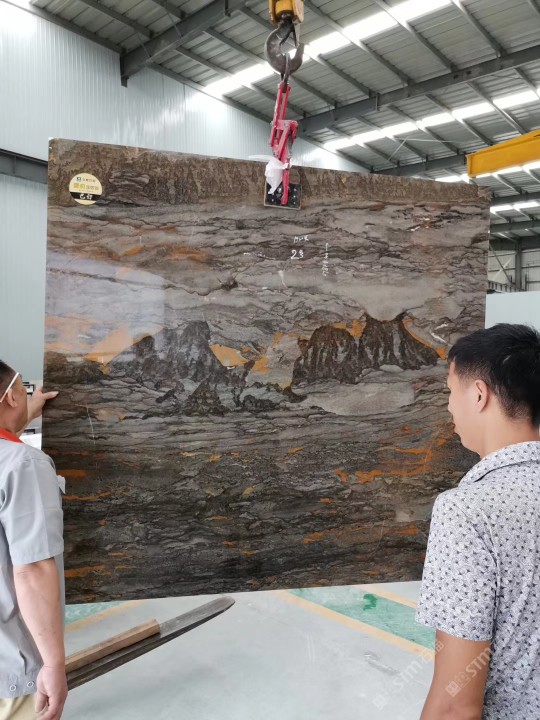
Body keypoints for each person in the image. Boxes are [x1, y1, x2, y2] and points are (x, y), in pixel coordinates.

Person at [416, 323, 540, 719]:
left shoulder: (467, 511)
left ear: (479, 394)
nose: (449, 408)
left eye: (451, 392)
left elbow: (455, 705)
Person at [0, 360, 66, 720]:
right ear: (11, 397)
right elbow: (32, 569)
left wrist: (26, 413)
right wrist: (54, 664)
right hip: (11, 670)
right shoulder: (24, 464)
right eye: (23, 390)